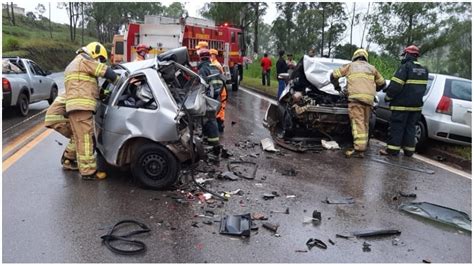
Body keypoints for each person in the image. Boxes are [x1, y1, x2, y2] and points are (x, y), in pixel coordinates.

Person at [64, 42, 118, 180]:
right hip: (81, 108)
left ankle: (69, 161)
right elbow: (105, 71)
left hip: (75, 108)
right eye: (99, 58)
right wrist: (118, 80)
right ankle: (89, 172)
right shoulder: (85, 60)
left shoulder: (74, 64)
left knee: (80, 139)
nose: (98, 61)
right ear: (94, 52)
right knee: (86, 140)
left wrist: (102, 93)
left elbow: (85, 86)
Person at [331, 48, 386, 158]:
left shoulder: (350, 66)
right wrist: (372, 89)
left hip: (356, 100)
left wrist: (337, 87)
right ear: (365, 57)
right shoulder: (372, 68)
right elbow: (382, 84)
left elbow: (333, 75)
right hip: (369, 101)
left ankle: (359, 150)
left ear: (354, 57)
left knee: (358, 124)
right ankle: (362, 147)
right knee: (364, 124)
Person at [379, 45, 428, 157]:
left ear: (407, 54)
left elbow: (395, 86)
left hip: (401, 106)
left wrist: (388, 97)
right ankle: (409, 151)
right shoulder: (424, 70)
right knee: (410, 128)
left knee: (397, 127)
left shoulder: (405, 67)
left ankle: (392, 150)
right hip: (416, 107)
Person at [44, 94, 77, 171]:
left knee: (75, 135)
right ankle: (68, 160)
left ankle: (68, 157)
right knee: (78, 135)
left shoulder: (70, 90)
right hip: (57, 118)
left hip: (53, 117)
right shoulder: (76, 92)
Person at [197, 48, 221, 145]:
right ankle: (208, 139)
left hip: (208, 98)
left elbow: (201, 85)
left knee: (210, 120)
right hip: (216, 97)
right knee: (209, 118)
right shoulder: (214, 67)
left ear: (201, 58)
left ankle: (214, 144)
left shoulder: (203, 69)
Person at [209, 48, 227, 132]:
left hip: (219, 89)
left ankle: (220, 125)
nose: (210, 56)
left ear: (214, 55)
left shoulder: (216, 65)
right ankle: (219, 124)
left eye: (211, 55)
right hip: (219, 89)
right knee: (220, 107)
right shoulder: (214, 63)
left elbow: (220, 78)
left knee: (221, 108)